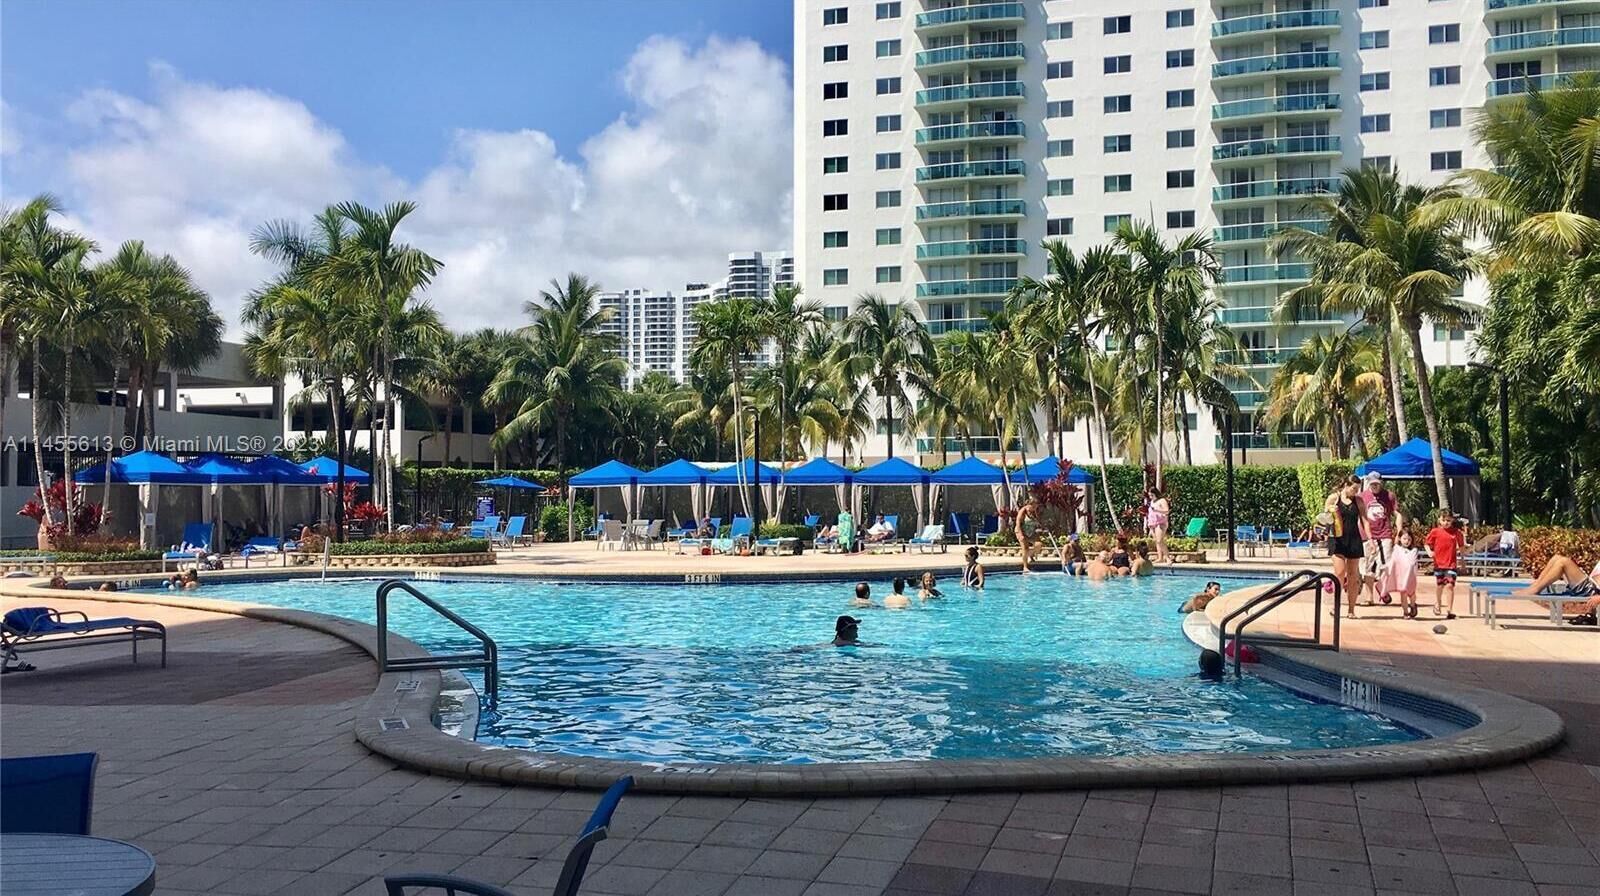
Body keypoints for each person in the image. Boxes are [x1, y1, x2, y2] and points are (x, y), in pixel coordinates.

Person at [1324, 475, 1370, 618]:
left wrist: (1371, 539)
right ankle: (1335, 606)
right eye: (1353, 489)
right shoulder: (1333, 498)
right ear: (1346, 485)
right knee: (1340, 573)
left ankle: (1351, 609)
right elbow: (1325, 517)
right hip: (1337, 540)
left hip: (1353, 539)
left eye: (1357, 489)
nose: (1355, 492)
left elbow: (1365, 521)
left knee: (1353, 576)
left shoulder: (1359, 501)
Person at [1358, 472, 1402, 606]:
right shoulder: (1361, 497)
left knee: (1387, 565)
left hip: (1384, 534)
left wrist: (1399, 532)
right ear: (1368, 483)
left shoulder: (1389, 496)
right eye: (1372, 484)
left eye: (1377, 483)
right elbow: (1357, 517)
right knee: (1368, 566)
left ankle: (1383, 589)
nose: (1375, 486)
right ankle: (1369, 597)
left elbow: (1397, 514)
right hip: (1367, 536)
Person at [1422, 511, 1467, 619]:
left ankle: (1449, 610)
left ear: (1452, 521)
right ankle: (1438, 602)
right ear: (1439, 520)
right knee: (1440, 585)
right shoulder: (1435, 532)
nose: (1446, 523)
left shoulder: (1456, 533)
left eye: (1448, 520)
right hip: (1439, 563)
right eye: (1444, 520)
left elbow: (1461, 547)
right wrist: (1429, 552)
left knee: (1450, 585)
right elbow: (1426, 543)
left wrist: (1463, 561)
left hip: (1451, 563)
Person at [1512, 554, 1600, 600]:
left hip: (1592, 591)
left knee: (1563, 562)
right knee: (1556, 558)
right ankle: (1534, 587)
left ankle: (1534, 590)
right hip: (1590, 585)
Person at [1380, 530, 1421, 618]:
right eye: (1404, 539)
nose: (1406, 541)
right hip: (1401, 577)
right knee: (1403, 593)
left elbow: (1411, 563)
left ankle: (1413, 605)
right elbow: (1393, 561)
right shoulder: (1396, 549)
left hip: (1410, 577)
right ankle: (1405, 612)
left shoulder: (1414, 550)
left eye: (1409, 539)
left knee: (1412, 594)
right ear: (1399, 539)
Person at [1145, 487, 1171, 564]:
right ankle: (1160, 558)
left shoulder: (1162, 500)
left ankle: (1167, 558)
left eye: (1152, 495)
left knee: (1160, 540)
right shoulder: (1152, 502)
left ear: (1155, 494)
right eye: (1149, 496)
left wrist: (1157, 510)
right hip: (1153, 523)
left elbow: (1167, 511)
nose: (1150, 497)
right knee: (1157, 541)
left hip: (1161, 523)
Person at [1014, 501, 1038, 573]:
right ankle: (1025, 567)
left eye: (1035, 506)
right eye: (1033, 506)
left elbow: (1037, 522)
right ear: (1028, 505)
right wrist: (1021, 534)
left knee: (1038, 545)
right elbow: (1018, 523)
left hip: (1031, 533)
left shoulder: (1034, 512)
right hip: (1021, 532)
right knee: (1025, 548)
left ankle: (1029, 555)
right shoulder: (1023, 511)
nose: (1034, 508)